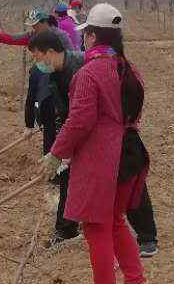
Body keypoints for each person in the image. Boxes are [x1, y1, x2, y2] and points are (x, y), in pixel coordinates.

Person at [41, 4, 150, 284]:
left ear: (90, 36)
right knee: (115, 220)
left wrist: (56, 153)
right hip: (130, 154)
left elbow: (80, 121)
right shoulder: (129, 69)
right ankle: (137, 283)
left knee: (96, 225)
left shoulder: (89, 73)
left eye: (85, 34)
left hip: (103, 160)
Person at [30, 29, 160, 257]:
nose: (35, 62)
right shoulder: (53, 73)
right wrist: (62, 146)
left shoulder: (84, 68)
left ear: (50, 53)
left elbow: (83, 115)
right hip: (83, 133)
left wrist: (60, 150)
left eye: (36, 56)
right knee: (68, 180)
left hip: (110, 135)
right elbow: (66, 113)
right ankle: (66, 229)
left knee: (127, 179)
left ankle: (147, 236)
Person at [0, 9, 70, 147]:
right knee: (46, 118)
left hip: (60, 84)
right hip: (42, 83)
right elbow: (15, 38)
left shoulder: (60, 36)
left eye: (35, 25)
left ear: (45, 22)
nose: (33, 28)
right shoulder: (33, 36)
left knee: (61, 118)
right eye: (32, 25)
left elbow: (68, 60)